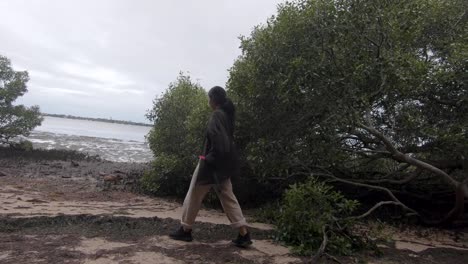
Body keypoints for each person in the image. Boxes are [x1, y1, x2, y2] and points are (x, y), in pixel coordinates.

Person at [169, 86, 252, 248]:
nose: (208, 102)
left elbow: (220, 144)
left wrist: (207, 159)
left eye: (209, 98)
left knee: (194, 194)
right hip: (223, 166)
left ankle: (185, 230)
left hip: (212, 166)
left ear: (213, 100)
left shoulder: (216, 115)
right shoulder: (227, 116)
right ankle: (244, 233)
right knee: (228, 198)